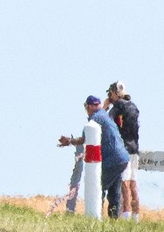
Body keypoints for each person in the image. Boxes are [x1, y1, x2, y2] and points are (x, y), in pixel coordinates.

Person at [57, 93, 129, 217]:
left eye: (86, 107)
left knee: (98, 187)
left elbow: (84, 139)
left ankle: (94, 216)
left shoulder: (95, 120)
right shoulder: (104, 116)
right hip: (122, 158)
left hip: (111, 160)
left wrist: (69, 141)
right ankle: (114, 219)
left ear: (89, 106)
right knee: (114, 192)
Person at [107, 82, 141, 221]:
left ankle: (126, 214)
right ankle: (136, 216)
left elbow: (107, 122)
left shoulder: (118, 106)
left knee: (124, 183)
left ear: (115, 93)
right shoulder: (133, 106)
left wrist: (106, 106)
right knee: (133, 184)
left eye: (110, 94)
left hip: (124, 150)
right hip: (135, 148)